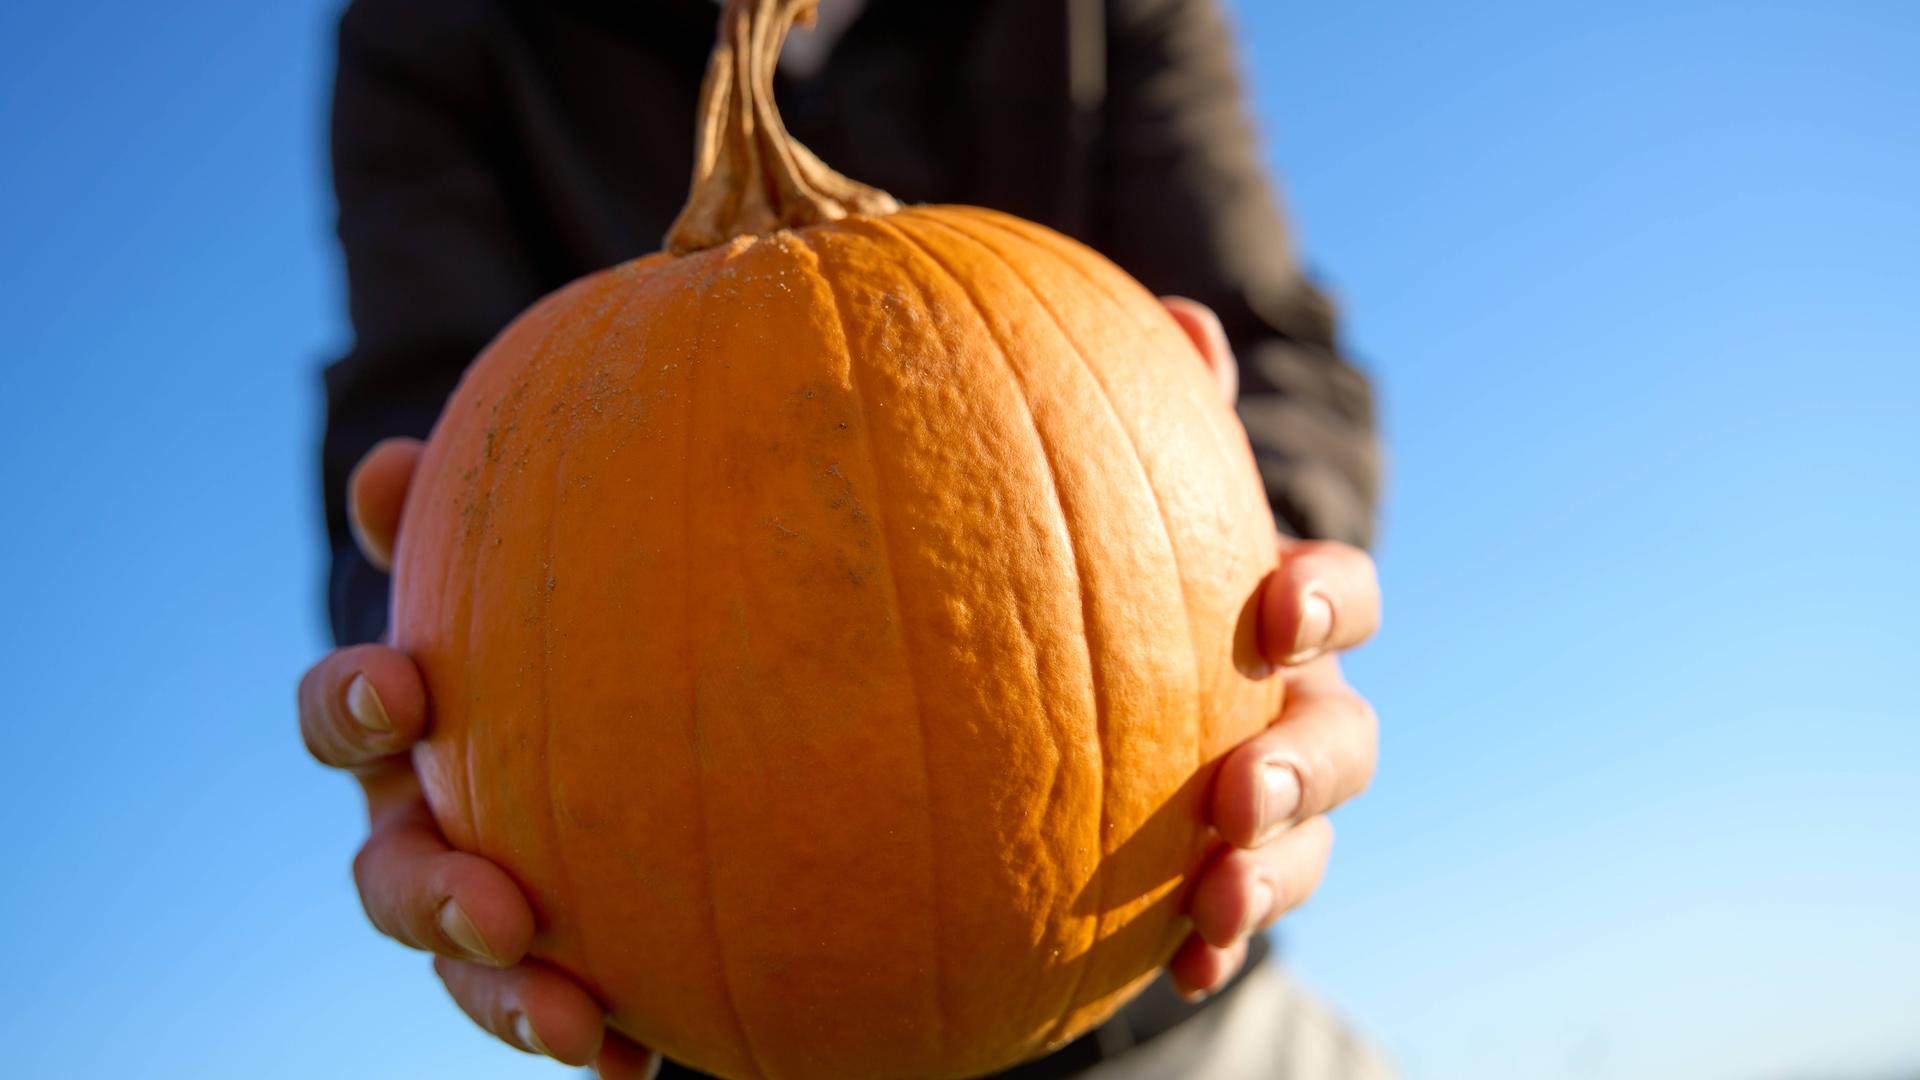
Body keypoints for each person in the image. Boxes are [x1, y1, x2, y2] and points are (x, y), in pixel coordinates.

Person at [298, 1, 1388, 1076]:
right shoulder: (433, 27)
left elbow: (1267, 348)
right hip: (710, 1023)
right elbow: (419, 445)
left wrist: (1260, 583)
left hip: (1175, 992)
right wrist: (421, 692)